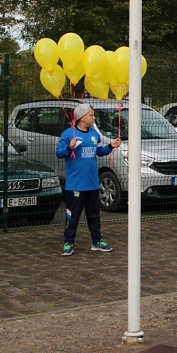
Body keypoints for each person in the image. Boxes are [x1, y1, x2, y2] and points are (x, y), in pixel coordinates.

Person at [56, 103, 122, 256]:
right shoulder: (68, 134)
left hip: (92, 183)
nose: (93, 118)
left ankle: (97, 241)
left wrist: (111, 146)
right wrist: (69, 148)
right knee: (73, 215)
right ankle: (68, 243)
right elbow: (59, 153)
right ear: (81, 117)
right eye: (91, 115)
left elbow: (99, 151)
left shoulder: (94, 134)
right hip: (75, 185)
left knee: (94, 215)